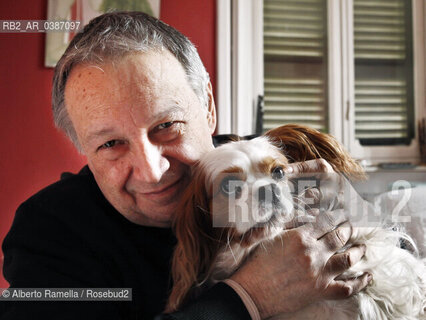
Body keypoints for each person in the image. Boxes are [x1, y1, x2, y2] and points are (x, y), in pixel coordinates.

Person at [1, 12, 371, 320]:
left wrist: (359, 218)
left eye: (166, 126)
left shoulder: (269, 165)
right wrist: (249, 297)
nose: (151, 170)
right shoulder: (49, 234)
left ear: (208, 106)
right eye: (111, 144)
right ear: (83, 148)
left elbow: (400, 250)